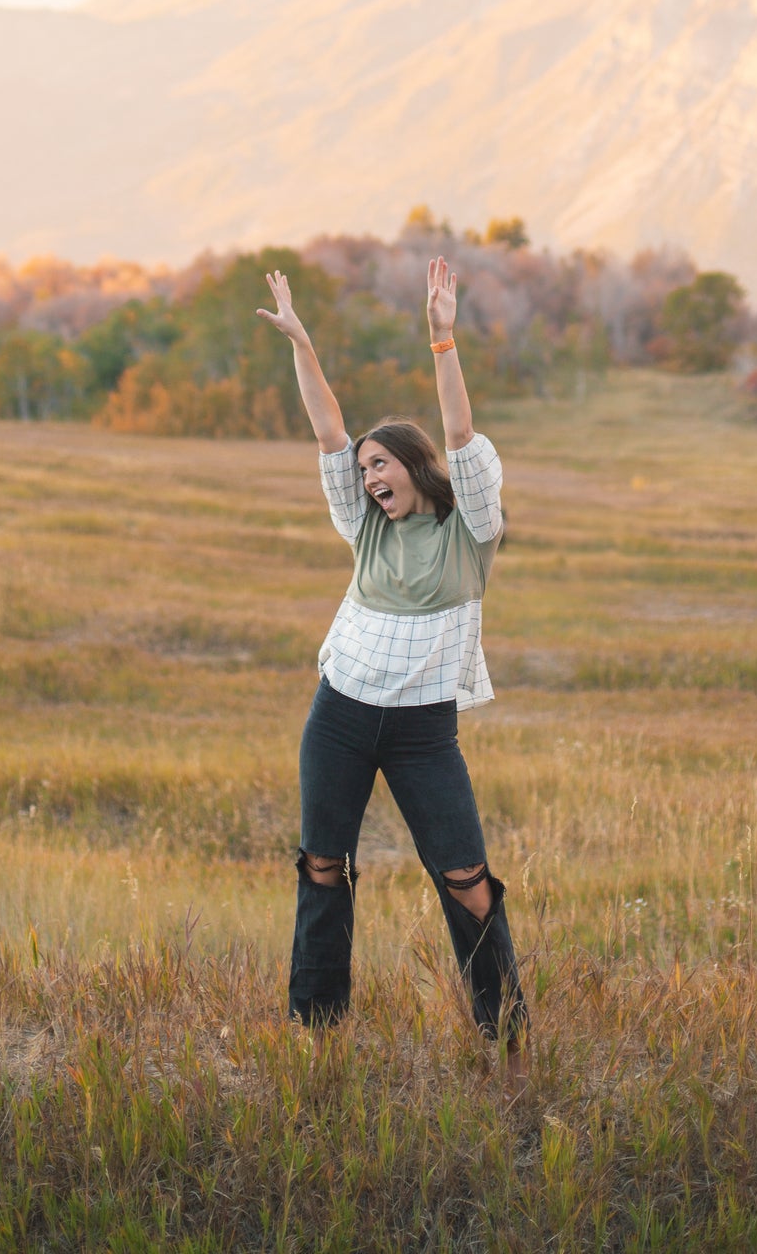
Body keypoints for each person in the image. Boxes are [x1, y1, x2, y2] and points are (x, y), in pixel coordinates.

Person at [257, 254, 528, 1081]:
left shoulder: (469, 528)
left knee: (466, 877)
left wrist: (442, 342)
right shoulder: (363, 526)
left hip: (421, 734)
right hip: (339, 714)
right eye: (365, 468)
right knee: (322, 864)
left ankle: (505, 1035)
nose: (369, 475)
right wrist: (303, 343)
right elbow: (327, 430)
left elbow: (460, 436)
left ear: (415, 468)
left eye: (383, 463)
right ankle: (316, 1029)